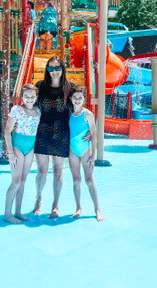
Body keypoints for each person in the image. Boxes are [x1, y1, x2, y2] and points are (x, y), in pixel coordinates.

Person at [33, 57, 74, 218]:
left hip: (61, 134)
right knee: (42, 171)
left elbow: (79, 109)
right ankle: (38, 198)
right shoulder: (40, 87)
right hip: (43, 133)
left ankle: (55, 205)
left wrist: (90, 128)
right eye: (50, 68)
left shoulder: (70, 88)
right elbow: (30, 105)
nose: (54, 71)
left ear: (62, 69)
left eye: (57, 68)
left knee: (58, 171)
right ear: (47, 70)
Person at [3, 83, 40, 224]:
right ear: (22, 97)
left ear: (36, 97)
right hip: (17, 147)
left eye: (32, 96)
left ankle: (18, 212)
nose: (29, 99)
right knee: (16, 181)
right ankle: (7, 214)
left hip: (30, 148)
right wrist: (10, 153)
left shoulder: (38, 111)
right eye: (26, 96)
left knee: (23, 180)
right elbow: (7, 131)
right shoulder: (17, 110)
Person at [69, 86, 104, 221]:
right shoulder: (68, 114)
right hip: (72, 150)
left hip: (85, 151)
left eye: (80, 98)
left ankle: (97, 209)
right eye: (75, 97)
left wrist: (93, 155)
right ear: (71, 99)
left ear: (84, 99)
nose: (77, 100)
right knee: (76, 180)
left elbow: (94, 135)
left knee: (89, 180)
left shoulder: (88, 114)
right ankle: (78, 208)